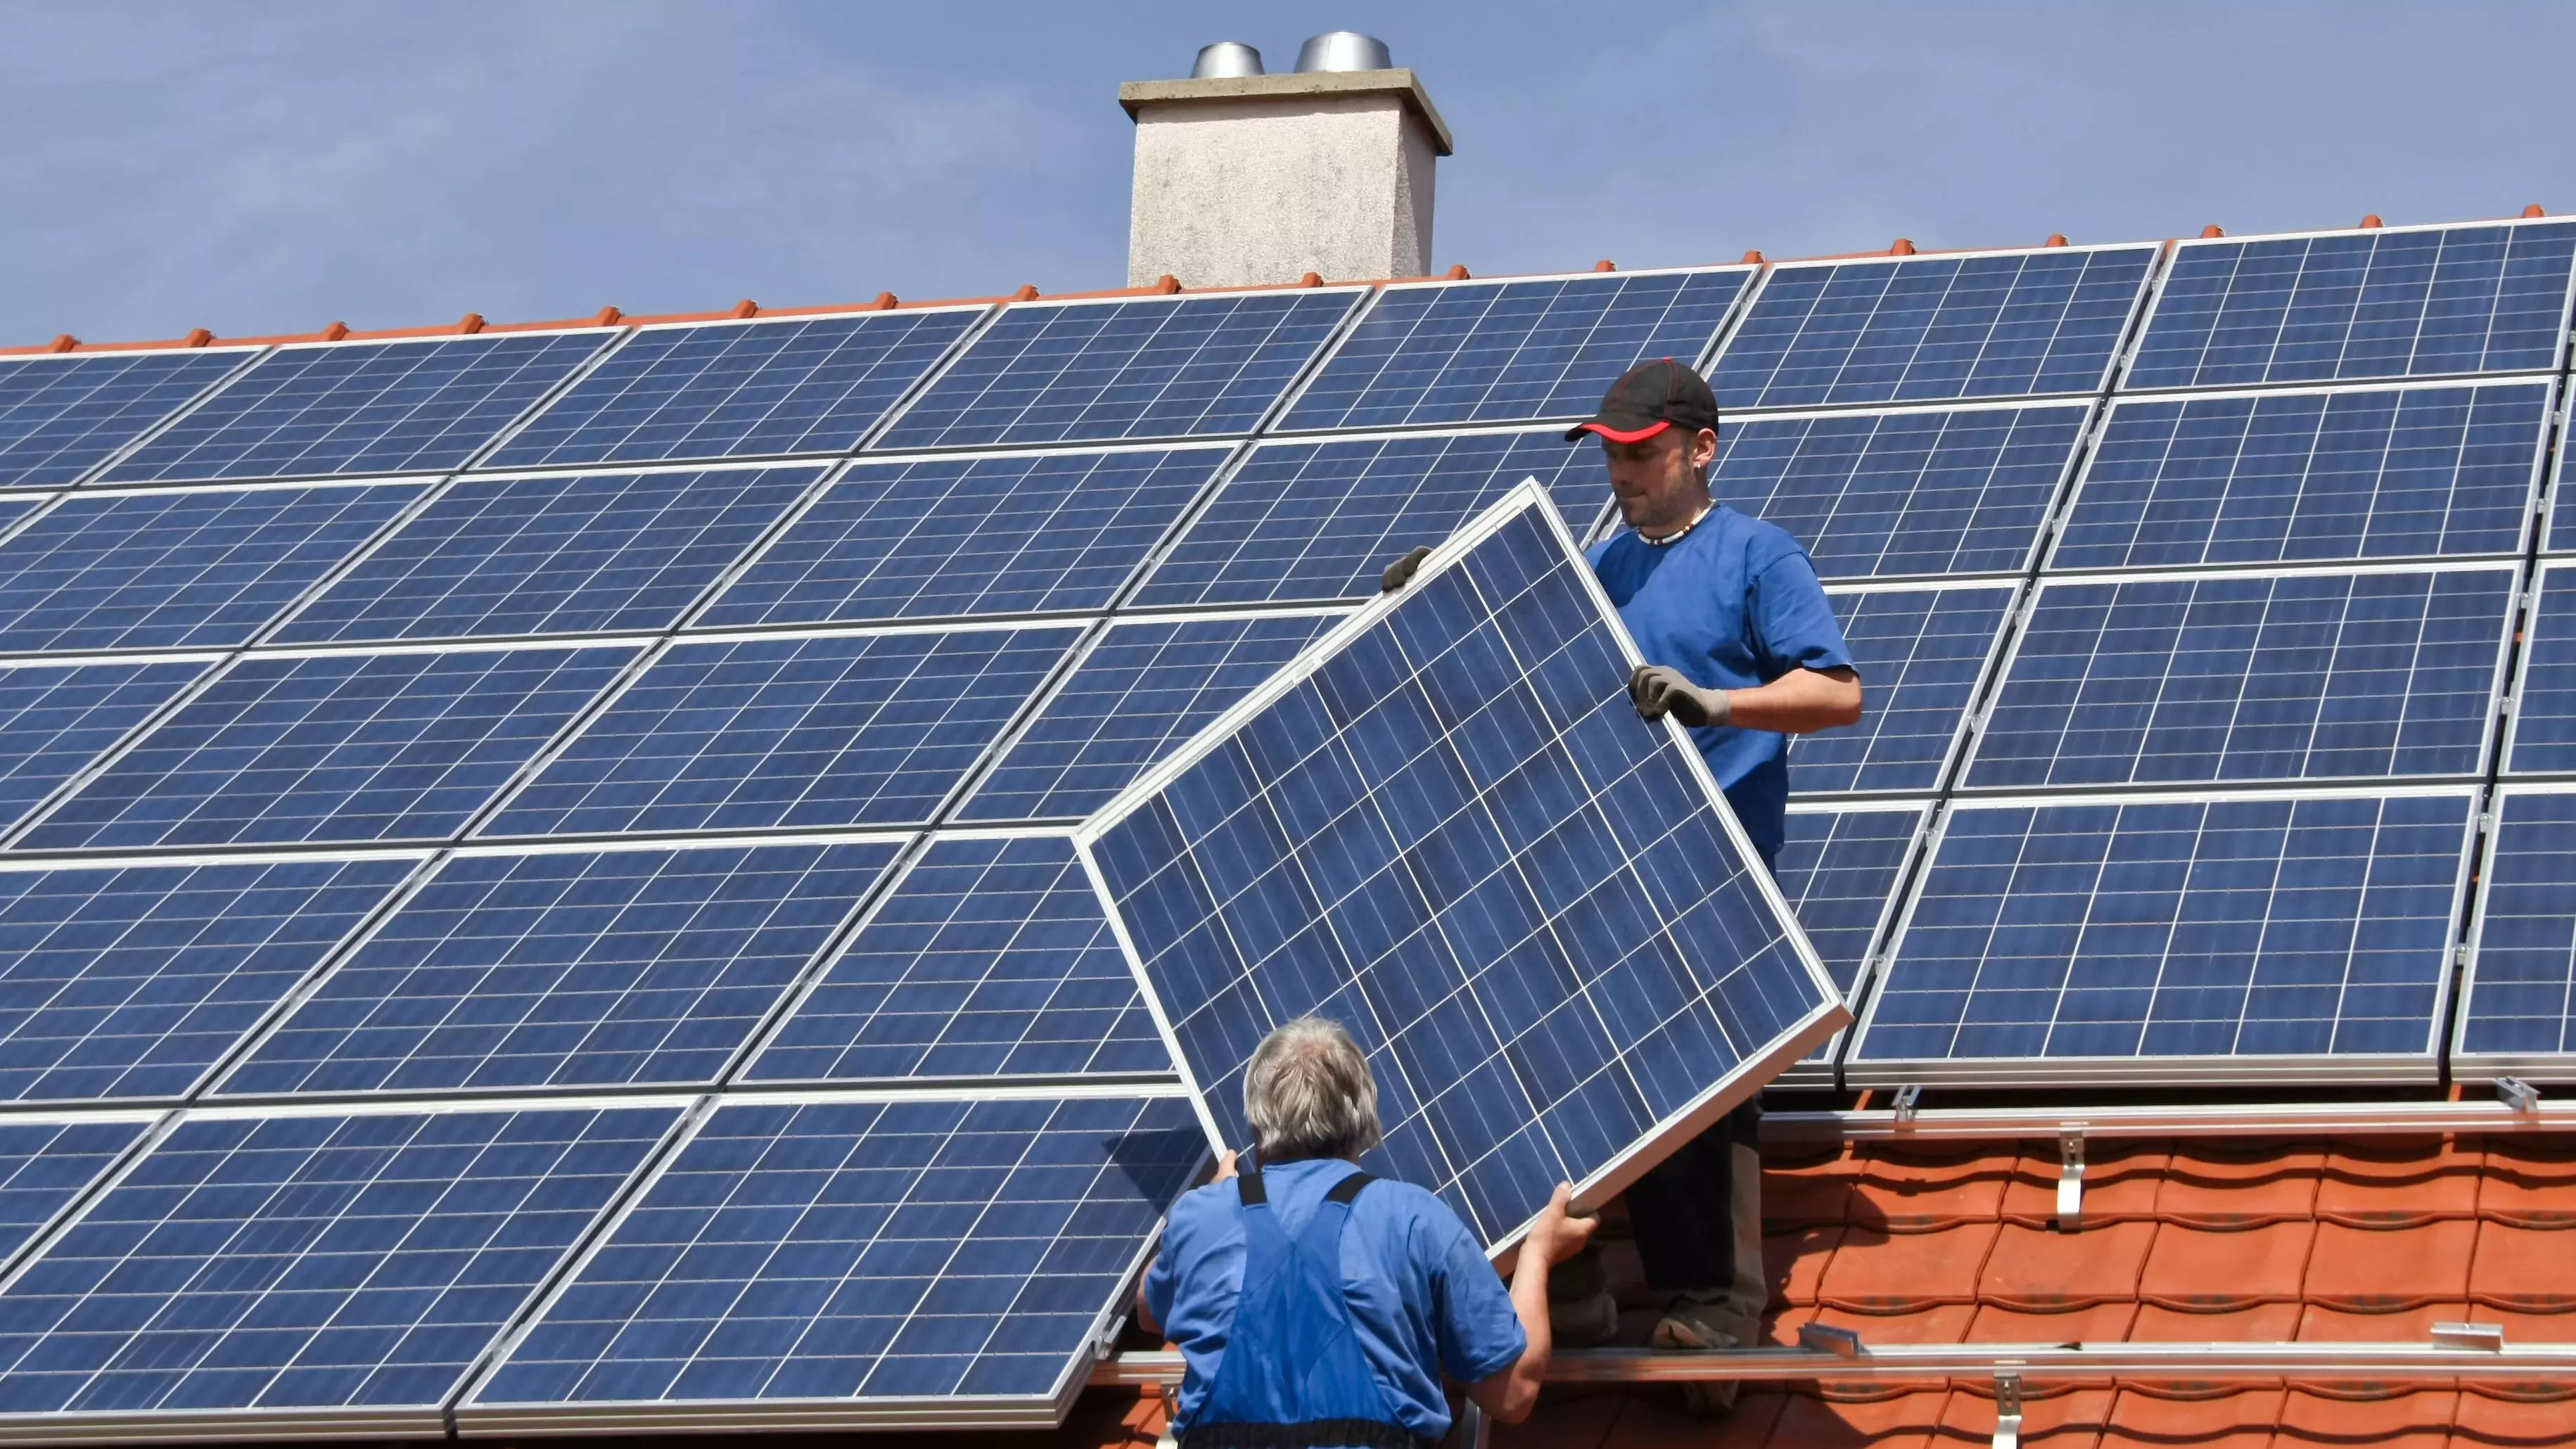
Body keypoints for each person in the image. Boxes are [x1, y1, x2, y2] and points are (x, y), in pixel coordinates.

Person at [1380, 357, 1863, 1414]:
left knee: (1699, 1079)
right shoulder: (1597, 564)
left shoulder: (1755, 556)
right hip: (1594, 869)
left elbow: (1835, 692)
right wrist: (1442, 602)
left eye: (1641, 454)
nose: (1622, 473)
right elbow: (1523, 668)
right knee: (1560, 1063)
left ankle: (1710, 1308)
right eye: (1609, 455)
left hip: (1710, 871)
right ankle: (1580, 1282)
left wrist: (1715, 704)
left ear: (1700, 448)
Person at [1136, 1016, 1599, 1446]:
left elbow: (1151, 1312)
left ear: (1258, 1126)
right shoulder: (1415, 1219)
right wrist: (1538, 1253)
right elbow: (1512, 1394)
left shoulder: (1200, 1217)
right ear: (1362, 1124)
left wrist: (1211, 1205)